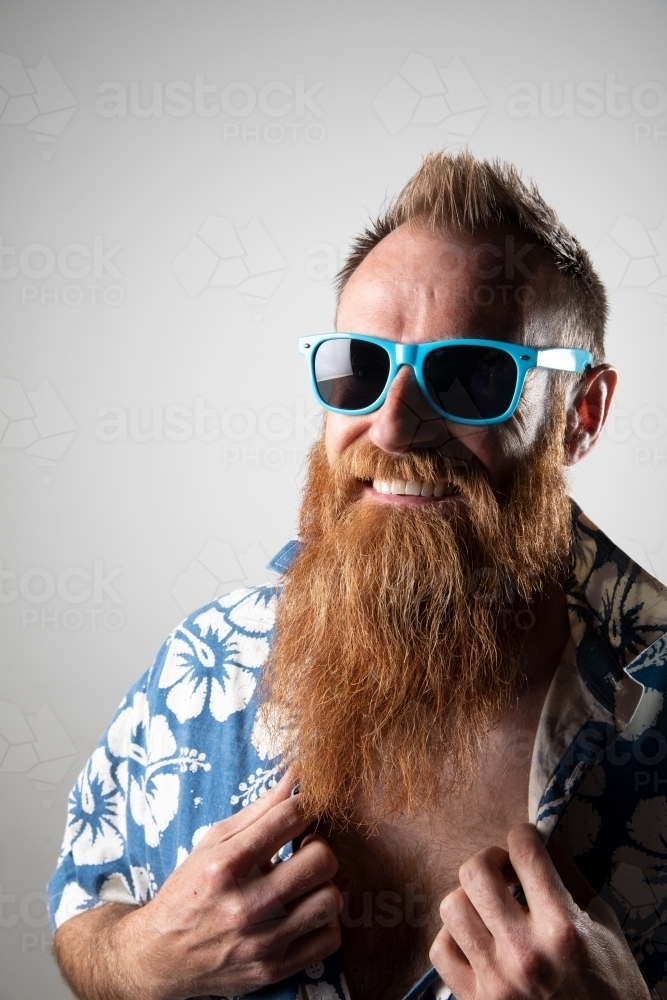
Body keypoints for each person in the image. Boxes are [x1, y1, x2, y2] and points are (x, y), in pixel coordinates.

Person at [48, 151, 667, 1000]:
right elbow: (83, 911)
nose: (393, 424)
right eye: (359, 367)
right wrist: (142, 959)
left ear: (581, 415)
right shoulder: (206, 660)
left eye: (471, 376)